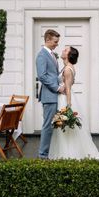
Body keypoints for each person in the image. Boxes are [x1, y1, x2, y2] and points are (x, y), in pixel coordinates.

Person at [49, 46, 99, 161]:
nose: (63, 50)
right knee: (63, 129)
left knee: (65, 128)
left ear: (69, 55)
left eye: (65, 50)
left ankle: (68, 154)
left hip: (65, 100)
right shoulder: (66, 67)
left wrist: (68, 108)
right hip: (62, 98)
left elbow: (67, 89)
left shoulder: (68, 69)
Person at [36, 29, 63, 159]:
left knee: (54, 125)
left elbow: (52, 75)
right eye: (55, 42)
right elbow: (42, 76)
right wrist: (57, 88)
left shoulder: (52, 54)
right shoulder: (42, 55)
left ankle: (52, 152)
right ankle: (43, 155)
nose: (57, 44)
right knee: (48, 126)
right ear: (47, 40)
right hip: (49, 95)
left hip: (54, 95)